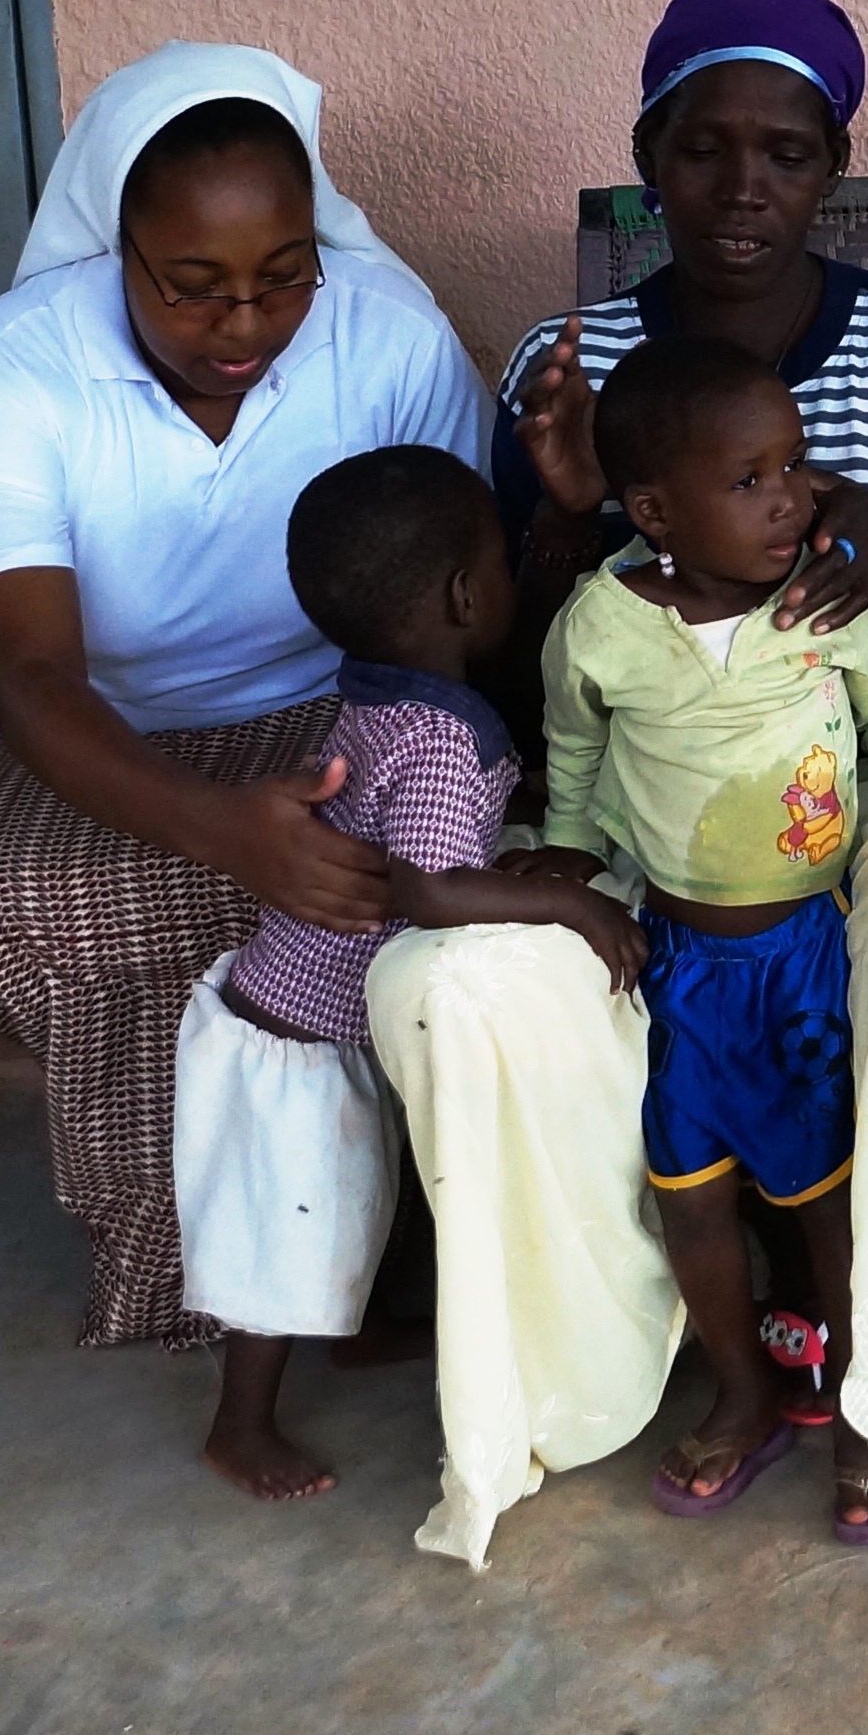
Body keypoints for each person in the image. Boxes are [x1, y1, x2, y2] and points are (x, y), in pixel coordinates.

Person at [381, 0, 868, 1567]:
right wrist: (566, 519)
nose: (743, 186)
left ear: (835, 167)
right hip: (659, 826)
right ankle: (601, 1379)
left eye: (787, 151)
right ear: (648, 162)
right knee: (450, 974)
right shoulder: (572, 369)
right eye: (703, 148)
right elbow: (513, 671)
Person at [0, 44, 492, 1357]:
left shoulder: (386, 336)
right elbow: (28, 672)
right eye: (194, 286)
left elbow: (460, 600)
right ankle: (195, 1246)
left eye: (284, 277)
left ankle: (366, 1236)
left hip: (348, 703)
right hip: (118, 734)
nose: (243, 325)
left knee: (388, 872)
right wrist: (221, 828)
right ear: (116, 248)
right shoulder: (14, 371)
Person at [540, 338, 868, 1541]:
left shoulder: (818, 599)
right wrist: (564, 850)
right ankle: (744, 1393)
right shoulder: (602, 626)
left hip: (803, 954)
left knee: (828, 1202)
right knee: (690, 1197)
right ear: (655, 513)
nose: (791, 499)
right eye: (750, 480)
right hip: (681, 961)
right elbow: (574, 749)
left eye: (794, 467)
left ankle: (866, 1407)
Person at [179, 448, 622, 1503]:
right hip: (305, 1042)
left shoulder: (379, 694)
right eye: (503, 562)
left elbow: (426, 848)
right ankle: (240, 1426)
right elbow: (427, 890)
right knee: (293, 1235)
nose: (511, 578)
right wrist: (571, 903)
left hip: (306, 1007)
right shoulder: (440, 732)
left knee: (363, 1192)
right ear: (467, 596)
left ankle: (363, 1328)